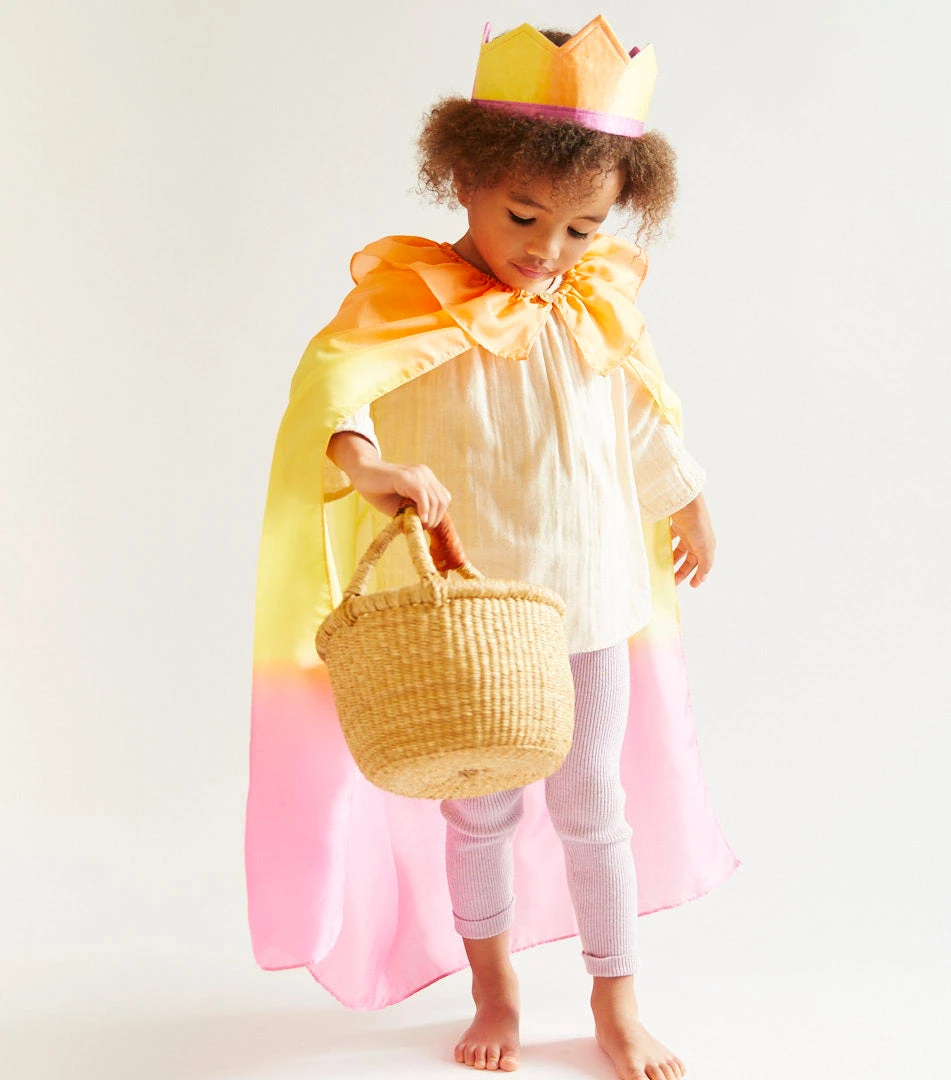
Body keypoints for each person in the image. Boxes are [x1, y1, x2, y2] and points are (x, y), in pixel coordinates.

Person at [246, 16, 739, 1080]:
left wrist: (687, 499)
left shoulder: (589, 306)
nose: (547, 249)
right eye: (523, 216)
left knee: (593, 799)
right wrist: (367, 465)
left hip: (589, 592)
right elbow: (336, 391)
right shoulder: (411, 300)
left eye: (581, 228)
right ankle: (494, 984)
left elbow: (637, 419)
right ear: (463, 178)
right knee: (480, 804)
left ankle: (615, 997)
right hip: (471, 607)